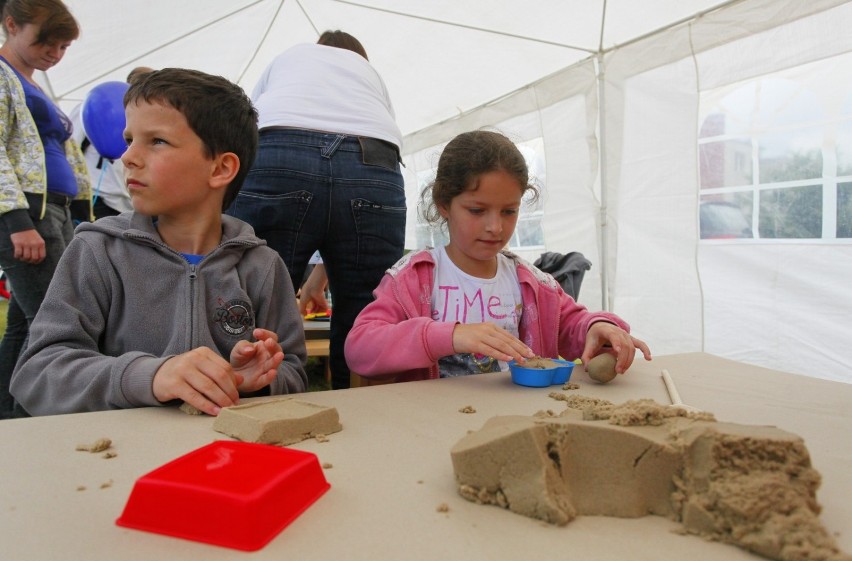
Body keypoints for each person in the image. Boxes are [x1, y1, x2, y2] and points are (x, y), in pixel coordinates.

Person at [10, 68, 308, 416]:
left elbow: (294, 371)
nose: (127, 157)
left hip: (225, 460)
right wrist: (148, 377)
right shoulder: (98, 251)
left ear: (220, 169)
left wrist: (250, 380)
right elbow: (37, 373)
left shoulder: (262, 265)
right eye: (129, 140)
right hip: (118, 460)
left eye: (157, 141)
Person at [345, 130, 652, 383]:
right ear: (443, 204)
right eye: (477, 210)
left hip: (514, 422)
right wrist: (449, 336)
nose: (495, 227)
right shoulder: (412, 278)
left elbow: (569, 324)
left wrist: (594, 328)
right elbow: (360, 348)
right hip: (433, 423)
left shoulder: (531, 282)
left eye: (509, 211)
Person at [227, 30, 405, 390]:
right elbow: (340, 196)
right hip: (372, 156)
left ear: (319, 49)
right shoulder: (368, 76)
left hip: (281, 145)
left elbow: (244, 121)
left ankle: (242, 414)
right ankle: (366, 426)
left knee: (249, 304)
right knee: (365, 315)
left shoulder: (290, 57)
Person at [0, 0, 92, 419]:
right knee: (54, 321)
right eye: (46, 42)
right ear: (11, 25)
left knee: (25, 326)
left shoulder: (34, 84)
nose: (55, 53)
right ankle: (36, 419)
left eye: (63, 46)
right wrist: (16, 222)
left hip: (53, 213)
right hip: (27, 217)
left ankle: (10, 417)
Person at [68, 65, 154, 219]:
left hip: (127, 201)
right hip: (96, 194)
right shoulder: (95, 104)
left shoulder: (149, 117)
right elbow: (70, 147)